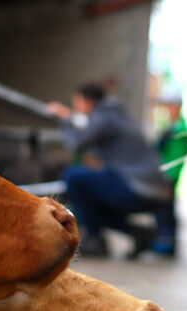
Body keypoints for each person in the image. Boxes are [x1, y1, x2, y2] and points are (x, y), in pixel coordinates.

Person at [48, 82, 172, 257]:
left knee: (73, 177)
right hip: (155, 190)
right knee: (89, 193)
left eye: (77, 103)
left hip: (137, 187)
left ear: (87, 101)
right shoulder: (118, 114)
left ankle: (94, 239)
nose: (77, 108)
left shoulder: (104, 117)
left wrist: (66, 119)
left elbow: (77, 143)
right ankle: (138, 233)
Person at [152, 95, 187, 256]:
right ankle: (165, 241)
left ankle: (167, 243)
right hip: (165, 172)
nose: (169, 110)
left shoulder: (180, 129)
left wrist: (170, 172)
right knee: (165, 207)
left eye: (172, 107)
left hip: (170, 174)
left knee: (167, 208)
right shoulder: (173, 126)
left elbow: (179, 153)